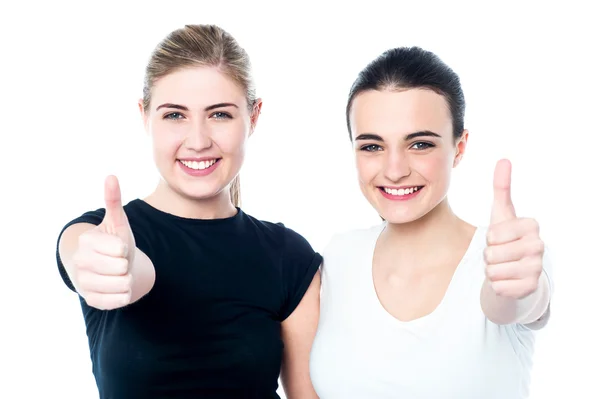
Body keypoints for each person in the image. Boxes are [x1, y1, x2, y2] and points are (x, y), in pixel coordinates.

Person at [55, 24, 322, 399]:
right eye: (175, 116)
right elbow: (123, 268)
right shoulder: (97, 235)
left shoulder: (289, 256)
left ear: (254, 116)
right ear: (145, 116)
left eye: (220, 115)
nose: (197, 141)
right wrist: (119, 266)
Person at [309, 46, 553, 399]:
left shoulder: (511, 256)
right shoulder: (338, 256)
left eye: (420, 144)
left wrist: (514, 288)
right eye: (372, 147)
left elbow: (514, 302)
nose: (395, 170)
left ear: (460, 146)